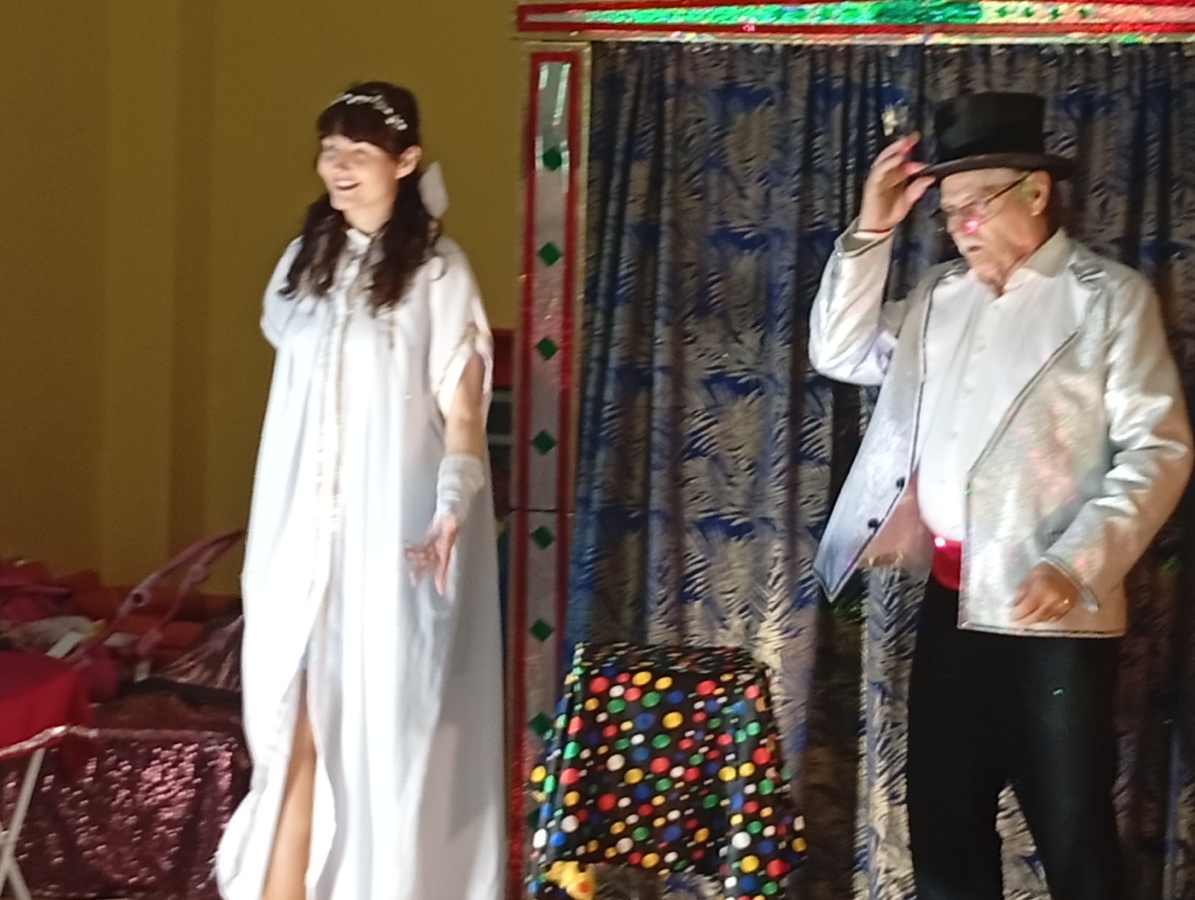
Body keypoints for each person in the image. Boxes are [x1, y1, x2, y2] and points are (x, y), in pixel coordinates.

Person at [809, 92, 1192, 899]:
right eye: (947, 211)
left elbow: (1158, 449)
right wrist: (871, 230)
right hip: (948, 606)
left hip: (1053, 618)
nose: (959, 226)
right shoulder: (937, 299)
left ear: (1035, 192)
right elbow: (838, 351)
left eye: (974, 205)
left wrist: (1076, 563)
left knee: (1072, 831)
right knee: (943, 827)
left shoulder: (1106, 297)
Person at [215, 82, 504, 900]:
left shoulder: (438, 271)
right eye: (328, 150)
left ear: (404, 162)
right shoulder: (304, 263)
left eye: (358, 152)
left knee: (375, 737)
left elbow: (461, 407)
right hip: (299, 537)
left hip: (390, 541)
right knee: (290, 729)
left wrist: (451, 507)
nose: (337, 167)